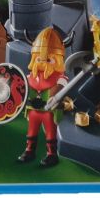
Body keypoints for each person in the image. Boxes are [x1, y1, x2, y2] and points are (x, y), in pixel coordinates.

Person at [18, 27, 69, 167]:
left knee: (50, 133)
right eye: (39, 59)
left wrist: (52, 96)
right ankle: (29, 151)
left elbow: (61, 86)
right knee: (31, 131)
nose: (42, 63)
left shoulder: (60, 78)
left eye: (49, 59)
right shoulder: (30, 76)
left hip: (49, 111)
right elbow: (22, 85)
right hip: (34, 110)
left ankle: (52, 155)